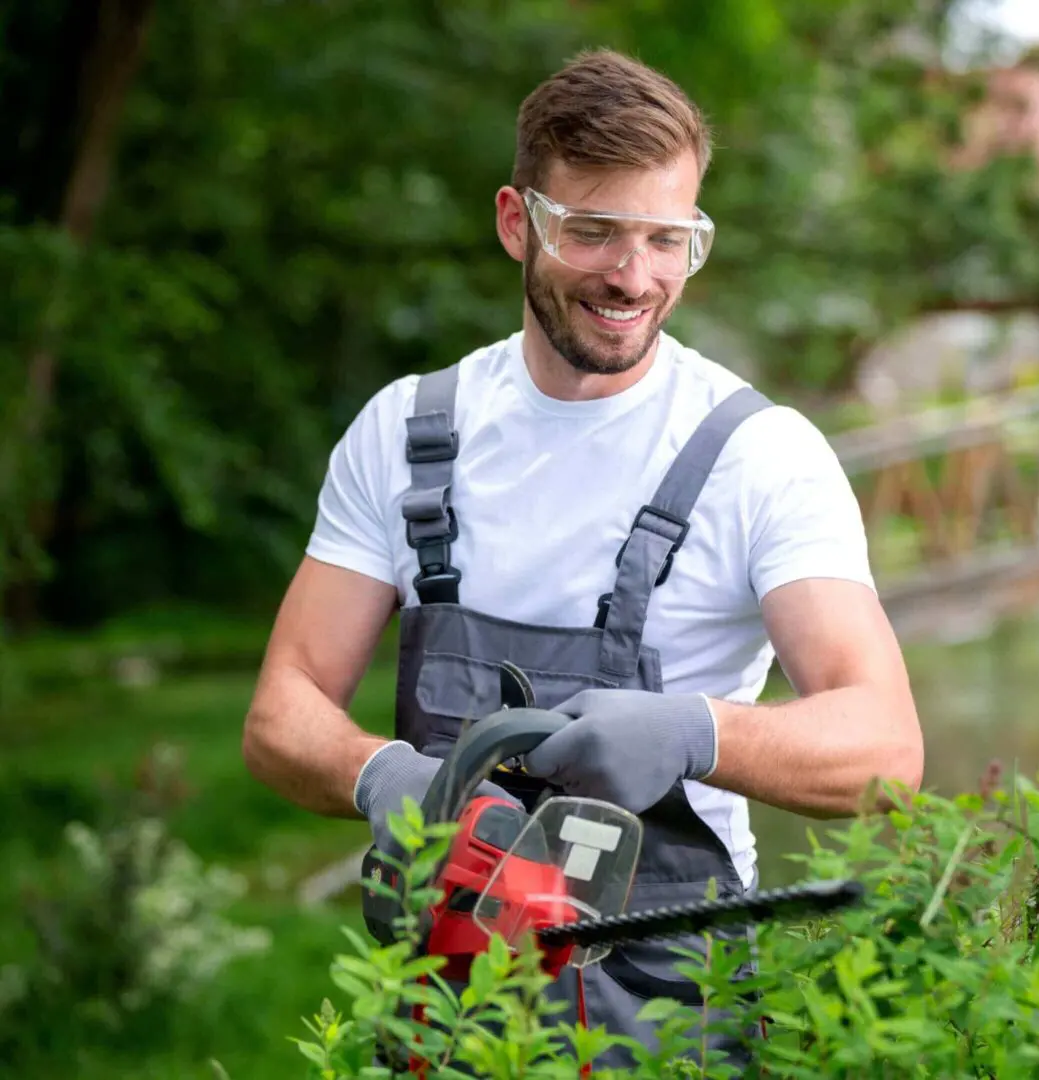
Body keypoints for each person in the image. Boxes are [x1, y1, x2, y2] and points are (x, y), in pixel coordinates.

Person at [241, 47, 924, 1070]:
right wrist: (380, 774)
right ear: (518, 221)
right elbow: (279, 712)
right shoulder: (406, 435)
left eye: (667, 239)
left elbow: (885, 753)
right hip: (446, 997)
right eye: (593, 231)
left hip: (676, 1007)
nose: (633, 276)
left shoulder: (757, 456)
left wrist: (697, 732)